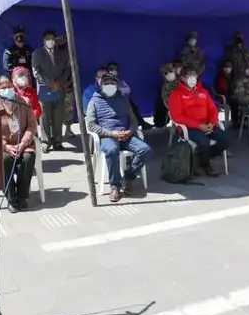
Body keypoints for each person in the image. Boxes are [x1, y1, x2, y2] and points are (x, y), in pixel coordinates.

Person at [85, 73, 151, 202]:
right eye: (106, 83)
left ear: (117, 85)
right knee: (111, 150)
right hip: (108, 136)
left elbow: (133, 120)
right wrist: (111, 134)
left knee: (146, 150)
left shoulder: (124, 99)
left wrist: (130, 131)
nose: (110, 86)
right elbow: (91, 125)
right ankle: (115, 186)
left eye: (112, 83)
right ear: (101, 85)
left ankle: (128, 178)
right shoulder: (94, 101)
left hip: (126, 134)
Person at [168, 65, 229, 176]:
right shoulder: (176, 95)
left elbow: (212, 108)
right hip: (190, 128)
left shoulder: (204, 92)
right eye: (188, 75)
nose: (192, 78)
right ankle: (206, 165)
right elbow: (177, 117)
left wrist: (212, 122)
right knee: (204, 142)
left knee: (225, 139)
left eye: (194, 75)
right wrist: (198, 126)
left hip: (208, 125)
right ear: (182, 78)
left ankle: (200, 159)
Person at [0, 75, 38, 212]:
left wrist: (23, 143)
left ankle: (22, 196)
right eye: (3, 87)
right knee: (4, 161)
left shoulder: (24, 102)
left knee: (28, 158)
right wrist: (5, 146)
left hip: (24, 143)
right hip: (3, 146)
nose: (7, 89)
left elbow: (32, 125)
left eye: (9, 86)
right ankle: (11, 199)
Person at [31, 29, 70, 152]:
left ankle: (58, 142)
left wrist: (60, 83)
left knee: (58, 117)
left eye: (53, 39)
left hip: (59, 89)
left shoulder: (62, 54)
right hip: (44, 90)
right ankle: (45, 142)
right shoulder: (37, 53)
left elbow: (67, 70)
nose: (50, 41)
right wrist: (50, 83)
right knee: (45, 117)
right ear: (44, 40)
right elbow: (36, 71)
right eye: (48, 39)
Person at [153, 62, 178, 128]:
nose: (169, 74)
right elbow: (166, 101)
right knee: (160, 103)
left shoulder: (182, 81)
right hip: (174, 106)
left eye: (170, 71)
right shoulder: (165, 87)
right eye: (166, 73)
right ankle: (159, 124)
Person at [214, 59, 237, 128]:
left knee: (237, 101)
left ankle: (236, 122)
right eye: (226, 67)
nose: (227, 69)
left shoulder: (234, 76)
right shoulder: (220, 77)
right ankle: (228, 122)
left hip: (232, 95)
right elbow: (222, 89)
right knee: (230, 102)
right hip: (222, 96)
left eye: (229, 67)